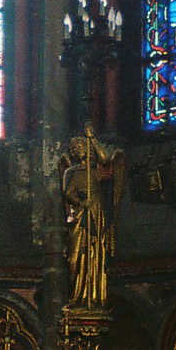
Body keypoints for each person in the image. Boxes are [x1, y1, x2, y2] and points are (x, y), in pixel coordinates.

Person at [61, 124, 125, 311]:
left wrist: (92, 138)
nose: (77, 150)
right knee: (74, 259)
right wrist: (81, 204)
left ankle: (94, 295)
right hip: (80, 215)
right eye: (75, 148)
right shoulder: (71, 173)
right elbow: (67, 193)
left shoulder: (98, 172)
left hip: (97, 213)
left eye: (81, 147)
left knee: (95, 253)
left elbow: (105, 159)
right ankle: (78, 296)